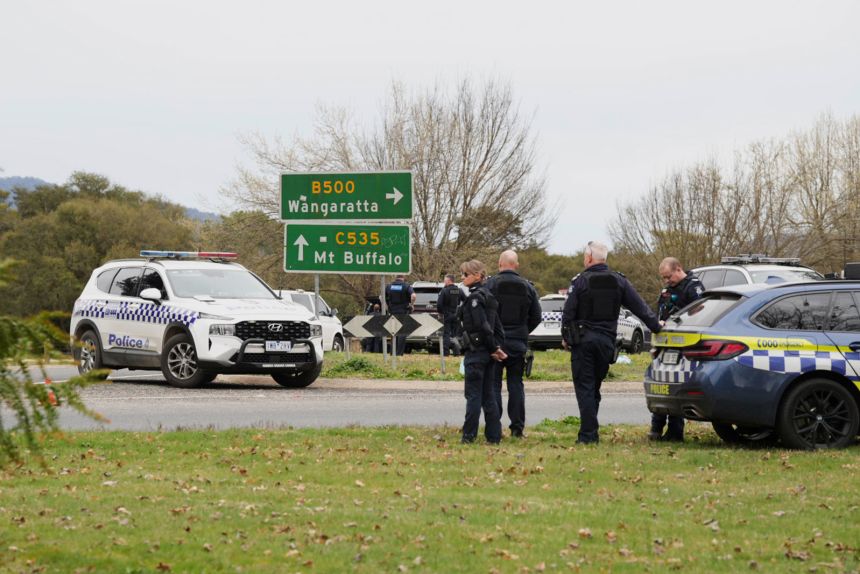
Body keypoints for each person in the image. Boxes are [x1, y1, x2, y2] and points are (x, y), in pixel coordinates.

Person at [561, 241, 661, 445]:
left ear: (589, 258)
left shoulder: (580, 281)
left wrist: (566, 337)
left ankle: (588, 435)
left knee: (585, 388)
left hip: (584, 342)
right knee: (594, 387)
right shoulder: (619, 281)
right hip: (606, 343)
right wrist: (657, 326)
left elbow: (568, 312)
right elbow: (639, 307)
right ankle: (591, 430)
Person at [485, 250, 541, 438]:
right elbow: (537, 316)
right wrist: (523, 331)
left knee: (494, 384)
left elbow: (483, 314)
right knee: (516, 384)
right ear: (516, 265)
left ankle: (494, 427)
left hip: (495, 343)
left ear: (500, 264)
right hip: (518, 343)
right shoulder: (527, 287)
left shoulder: (490, 285)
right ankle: (517, 428)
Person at [649, 257, 705, 442]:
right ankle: (656, 429)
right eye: (663, 278)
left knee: (675, 388)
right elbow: (661, 310)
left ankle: (675, 432)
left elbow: (700, 313)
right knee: (660, 386)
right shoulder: (668, 289)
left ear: (678, 269)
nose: (666, 281)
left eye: (668, 277)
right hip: (665, 344)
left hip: (682, 345)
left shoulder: (693, 287)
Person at [458, 259, 507, 444]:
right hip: (489, 353)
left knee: (473, 396)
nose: (462, 278)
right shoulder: (490, 296)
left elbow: (484, 326)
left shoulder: (475, 299)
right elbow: (498, 328)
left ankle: (468, 436)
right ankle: (494, 437)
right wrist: (497, 348)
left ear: (478, 275)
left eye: (465, 274)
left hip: (477, 352)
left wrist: (494, 348)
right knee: (489, 396)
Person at [385, 274, 415, 355]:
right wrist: (411, 305)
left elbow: (381, 297)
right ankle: (399, 352)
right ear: (403, 278)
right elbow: (413, 296)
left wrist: (387, 306)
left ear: (396, 278)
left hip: (392, 312)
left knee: (393, 332)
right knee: (402, 332)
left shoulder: (389, 286)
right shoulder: (406, 286)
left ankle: (392, 352)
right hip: (403, 312)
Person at [436, 274, 465, 356]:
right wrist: (460, 312)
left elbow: (439, 305)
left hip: (447, 315)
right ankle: (457, 352)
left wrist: (441, 312)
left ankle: (446, 353)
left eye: (445, 280)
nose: (444, 282)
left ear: (449, 281)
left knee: (446, 334)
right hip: (456, 315)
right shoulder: (459, 290)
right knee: (454, 334)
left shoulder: (444, 291)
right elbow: (466, 301)